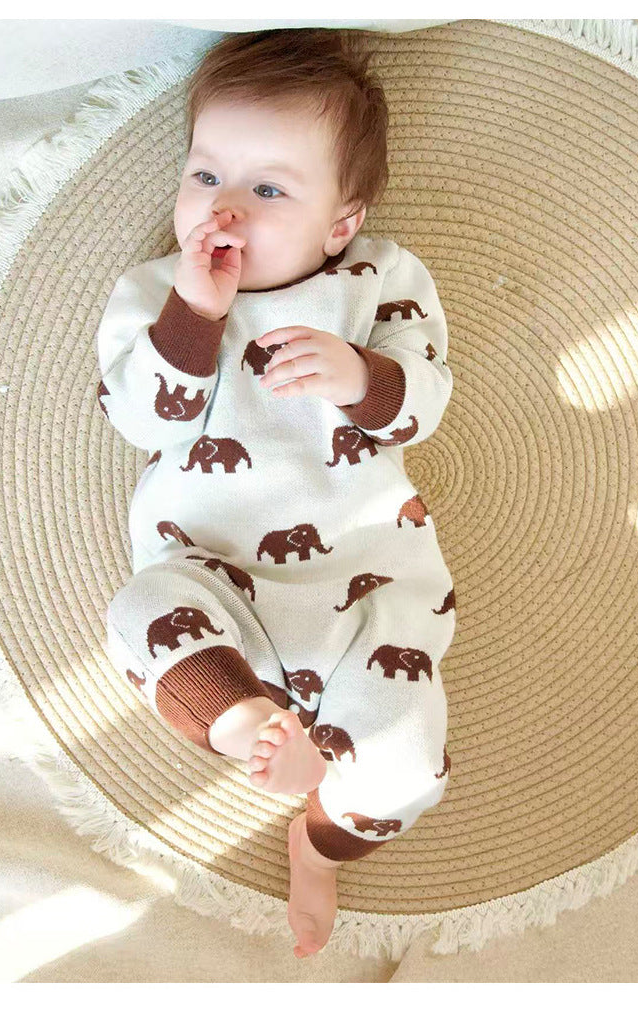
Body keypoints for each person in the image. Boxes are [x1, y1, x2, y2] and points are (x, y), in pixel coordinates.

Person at [96, 28, 456, 959]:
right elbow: (143, 416)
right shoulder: (157, 294)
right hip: (212, 575)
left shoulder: (379, 279)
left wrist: (360, 376)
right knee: (140, 610)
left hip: (368, 590)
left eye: (268, 190)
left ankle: (321, 841)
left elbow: (422, 403)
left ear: (340, 224)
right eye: (206, 175)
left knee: (410, 758)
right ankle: (245, 720)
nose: (223, 208)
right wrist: (196, 315)